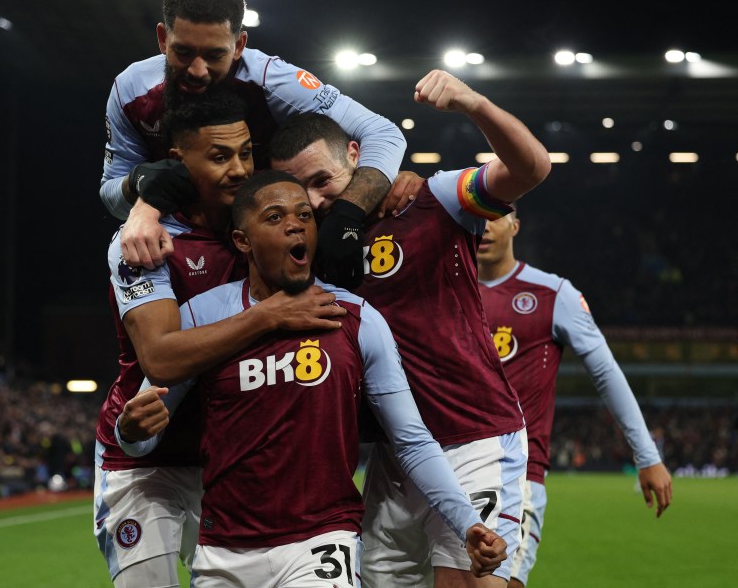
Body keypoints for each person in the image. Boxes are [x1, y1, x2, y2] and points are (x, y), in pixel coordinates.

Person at [119, 171, 508, 587]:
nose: (294, 224)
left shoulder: (356, 318)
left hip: (321, 541)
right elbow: (142, 434)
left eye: (304, 215)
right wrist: (130, 429)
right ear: (242, 241)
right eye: (274, 217)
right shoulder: (203, 314)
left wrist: (468, 522)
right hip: (223, 550)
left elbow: (411, 440)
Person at [268, 69, 552, 587]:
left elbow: (531, 168)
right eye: (298, 188)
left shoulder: (434, 200)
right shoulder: (305, 250)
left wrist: (474, 103)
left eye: (321, 181)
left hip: (474, 438)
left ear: (356, 156)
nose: (312, 201)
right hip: (395, 461)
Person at [95, 90, 345, 587]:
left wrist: (397, 180)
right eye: (218, 156)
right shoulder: (145, 240)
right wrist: (270, 314)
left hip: (235, 466)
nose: (238, 169)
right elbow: (162, 359)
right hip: (148, 460)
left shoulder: (274, 226)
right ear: (177, 162)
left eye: (246, 152)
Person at [102, 0, 404, 288]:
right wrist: (139, 189)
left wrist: (347, 214)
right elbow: (111, 192)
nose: (197, 70)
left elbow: (383, 133)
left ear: (239, 45)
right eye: (184, 52)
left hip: (273, 251)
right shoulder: (130, 89)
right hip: (181, 250)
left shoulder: (274, 81)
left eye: (215, 55)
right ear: (163, 39)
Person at [477, 208, 673, 587]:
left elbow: (605, 372)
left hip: (515, 476)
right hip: (445, 475)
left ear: (515, 225)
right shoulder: (444, 289)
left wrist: (647, 455)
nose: (484, 225)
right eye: (475, 214)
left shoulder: (553, 294)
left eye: (495, 215)